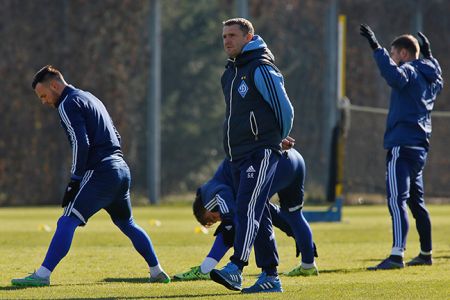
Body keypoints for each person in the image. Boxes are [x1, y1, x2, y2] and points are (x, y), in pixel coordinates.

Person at [11, 65, 170, 286]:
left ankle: (42, 275)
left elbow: (80, 142)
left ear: (55, 85)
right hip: (121, 169)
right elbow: (116, 135)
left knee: (66, 221)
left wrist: (75, 179)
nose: (44, 101)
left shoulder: (67, 103)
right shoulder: (91, 98)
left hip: (101, 171)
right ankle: (157, 271)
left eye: (44, 95)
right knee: (127, 224)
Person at [211, 17, 294, 292]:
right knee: (261, 213)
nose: (227, 41)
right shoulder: (230, 73)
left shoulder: (260, 67)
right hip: (238, 155)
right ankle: (270, 276)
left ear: (249, 37)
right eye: (224, 36)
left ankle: (236, 266)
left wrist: (273, 140)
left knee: (247, 207)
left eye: (232, 35)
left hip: (259, 153)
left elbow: (285, 110)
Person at [360, 25, 443, 270]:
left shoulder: (407, 70)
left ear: (404, 54)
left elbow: (394, 76)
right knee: (417, 203)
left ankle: (397, 255)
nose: (394, 59)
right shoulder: (430, 77)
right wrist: (429, 56)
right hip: (419, 148)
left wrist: (377, 48)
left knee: (396, 200)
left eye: (395, 54)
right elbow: (439, 78)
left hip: (402, 145)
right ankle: (426, 253)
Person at [173, 147, 318, 281]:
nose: (218, 218)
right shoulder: (226, 181)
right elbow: (273, 212)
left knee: (244, 219)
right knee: (293, 214)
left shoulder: (209, 193)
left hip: (272, 161)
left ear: (204, 206)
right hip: (294, 158)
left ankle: (207, 269)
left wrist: (228, 222)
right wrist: (298, 235)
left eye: (212, 217)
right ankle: (308, 265)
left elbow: (225, 202)